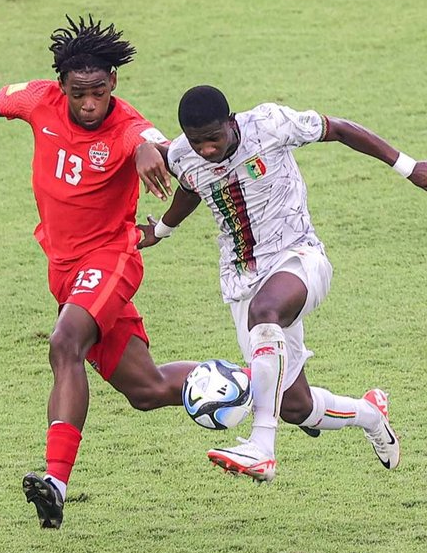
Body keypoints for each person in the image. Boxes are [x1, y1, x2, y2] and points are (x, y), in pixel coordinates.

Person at [0, 14, 197, 529]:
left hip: (111, 259)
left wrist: (156, 167)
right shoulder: (37, 100)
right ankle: (255, 382)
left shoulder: (127, 125)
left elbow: (155, 144)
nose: (89, 104)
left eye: (99, 92)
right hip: (63, 269)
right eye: (79, 93)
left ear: (114, 85)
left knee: (65, 344)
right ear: (61, 86)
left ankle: (56, 482)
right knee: (146, 390)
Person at [137, 85, 427, 483]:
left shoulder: (269, 124)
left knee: (266, 312)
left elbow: (339, 129)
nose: (205, 149)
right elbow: (191, 188)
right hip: (242, 279)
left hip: (299, 257)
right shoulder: (184, 155)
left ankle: (261, 448)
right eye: (196, 141)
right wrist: (163, 229)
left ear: (231, 123)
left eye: (214, 139)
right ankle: (370, 414)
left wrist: (409, 167)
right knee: (296, 407)